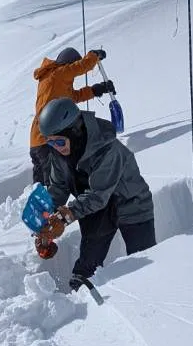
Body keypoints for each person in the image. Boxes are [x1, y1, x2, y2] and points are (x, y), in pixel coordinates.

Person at [36, 96, 155, 290]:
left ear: (75, 132)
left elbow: (98, 194)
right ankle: (82, 293)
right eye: (50, 143)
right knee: (86, 267)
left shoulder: (108, 149)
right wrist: (44, 219)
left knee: (143, 262)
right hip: (97, 209)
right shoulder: (59, 154)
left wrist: (64, 216)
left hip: (132, 205)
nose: (56, 148)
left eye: (58, 142)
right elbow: (58, 187)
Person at [29, 46, 115, 182]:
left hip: (37, 140)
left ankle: (36, 201)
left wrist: (95, 90)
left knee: (40, 185)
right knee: (50, 184)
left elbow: (73, 97)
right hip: (47, 140)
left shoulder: (53, 80)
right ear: (68, 64)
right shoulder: (58, 74)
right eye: (72, 66)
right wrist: (93, 56)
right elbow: (81, 67)